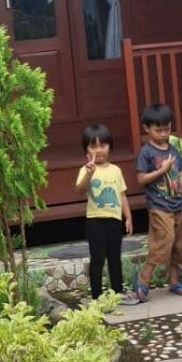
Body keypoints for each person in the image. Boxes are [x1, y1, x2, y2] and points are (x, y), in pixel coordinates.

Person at [132, 102, 182, 302]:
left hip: (177, 205)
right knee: (164, 241)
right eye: (158, 130)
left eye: (167, 129)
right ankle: (144, 278)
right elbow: (141, 179)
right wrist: (162, 170)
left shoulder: (173, 150)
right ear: (146, 128)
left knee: (179, 243)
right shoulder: (146, 152)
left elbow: (180, 176)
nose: (164, 134)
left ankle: (174, 281)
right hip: (159, 207)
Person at [76, 122, 134, 303]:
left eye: (103, 145)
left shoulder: (116, 170)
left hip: (115, 221)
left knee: (115, 258)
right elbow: (80, 190)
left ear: (110, 146)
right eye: (93, 146)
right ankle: (96, 296)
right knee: (98, 258)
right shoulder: (86, 170)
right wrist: (89, 174)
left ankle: (117, 292)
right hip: (95, 221)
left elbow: (122, 195)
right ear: (86, 150)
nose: (99, 150)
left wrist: (128, 217)